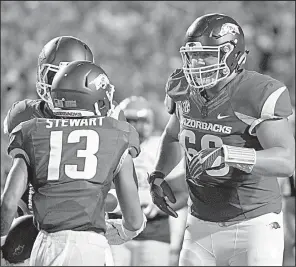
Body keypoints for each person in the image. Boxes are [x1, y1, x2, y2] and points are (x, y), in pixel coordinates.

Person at [148, 13, 295, 266]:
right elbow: (174, 134)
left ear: (231, 53)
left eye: (206, 54)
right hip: (199, 224)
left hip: (254, 225)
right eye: (193, 55)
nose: (197, 63)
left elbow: (285, 160)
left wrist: (229, 154)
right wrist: (159, 174)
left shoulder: (257, 92)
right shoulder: (184, 87)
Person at [1, 61, 147, 266]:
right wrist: (121, 231)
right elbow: (133, 220)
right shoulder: (119, 133)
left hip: (43, 245)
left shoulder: (31, 130)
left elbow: (8, 202)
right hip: (87, 248)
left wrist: (3, 239)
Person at [109, 96, 188, 266]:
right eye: (130, 121)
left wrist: (160, 206)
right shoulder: (107, 148)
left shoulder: (161, 148)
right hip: (115, 228)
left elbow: (182, 194)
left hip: (154, 231)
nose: (136, 126)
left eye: (141, 121)